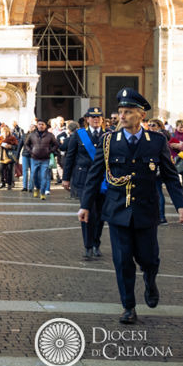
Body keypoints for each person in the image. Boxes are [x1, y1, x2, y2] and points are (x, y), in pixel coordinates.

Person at [78, 88, 183, 324]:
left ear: (141, 115)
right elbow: (94, 174)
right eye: (120, 112)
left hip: (146, 210)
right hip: (118, 211)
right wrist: (85, 205)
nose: (122, 116)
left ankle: (150, 280)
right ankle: (128, 306)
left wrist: (180, 205)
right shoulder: (109, 141)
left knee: (149, 258)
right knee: (122, 260)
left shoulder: (157, 141)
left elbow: (170, 176)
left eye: (128, 112)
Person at [63, 107, 106, 258]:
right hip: (84, 180)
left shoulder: (109, 135)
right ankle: (88, 246)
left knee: (100, 215)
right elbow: (70, 157)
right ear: (87, 119)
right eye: (92, 117)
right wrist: (66, 178)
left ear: (102, 119)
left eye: (98, 117)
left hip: (103, 181)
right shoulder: (79, 135)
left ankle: (96, 243)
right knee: (88, 212)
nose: (96, 119)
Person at [25, 119, 59, 200]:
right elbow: (26, 144)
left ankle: (42, 192)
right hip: (34, 158)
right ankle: (37, 188)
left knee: (44, 176)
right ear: (37, 125)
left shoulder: (50, 135)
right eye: (39, 124)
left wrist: (50, 151)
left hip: (45, 159)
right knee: (34, 175)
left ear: (45, 126)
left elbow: (55, 144)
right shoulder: (32, 135)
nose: (41, 126)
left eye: (42, 124)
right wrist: (31, 151)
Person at [147, 118, 172, 224]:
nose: (151, 127)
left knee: (158, 192)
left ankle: (161, 216)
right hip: (154, 167)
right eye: (149, 125)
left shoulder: (160, 137)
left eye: (153, 125)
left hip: (157, 168)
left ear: (159, 127)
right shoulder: (151, 136)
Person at [0, 124, 18, 189]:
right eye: (3, 132)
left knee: (9, 171)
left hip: (10, 157)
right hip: (2, 157)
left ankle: (9, 184)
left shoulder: (12, 138)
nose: (5, 133)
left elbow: (16, 147)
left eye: (6, 132)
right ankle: (2, 182)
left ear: (8, 132)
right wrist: (0, 146)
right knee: (0, 170)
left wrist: (10, 146)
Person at [19, 123, 35, 192]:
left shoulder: (37, 135)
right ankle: (24, 187)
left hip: (33, 155)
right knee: (25, 171)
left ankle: (31, 187)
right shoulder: (24, 135)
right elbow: (20, 146)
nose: (31, 128)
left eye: (33, 127)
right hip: (25, 155)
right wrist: (16, 156)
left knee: (32, 171)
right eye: (30, 127)